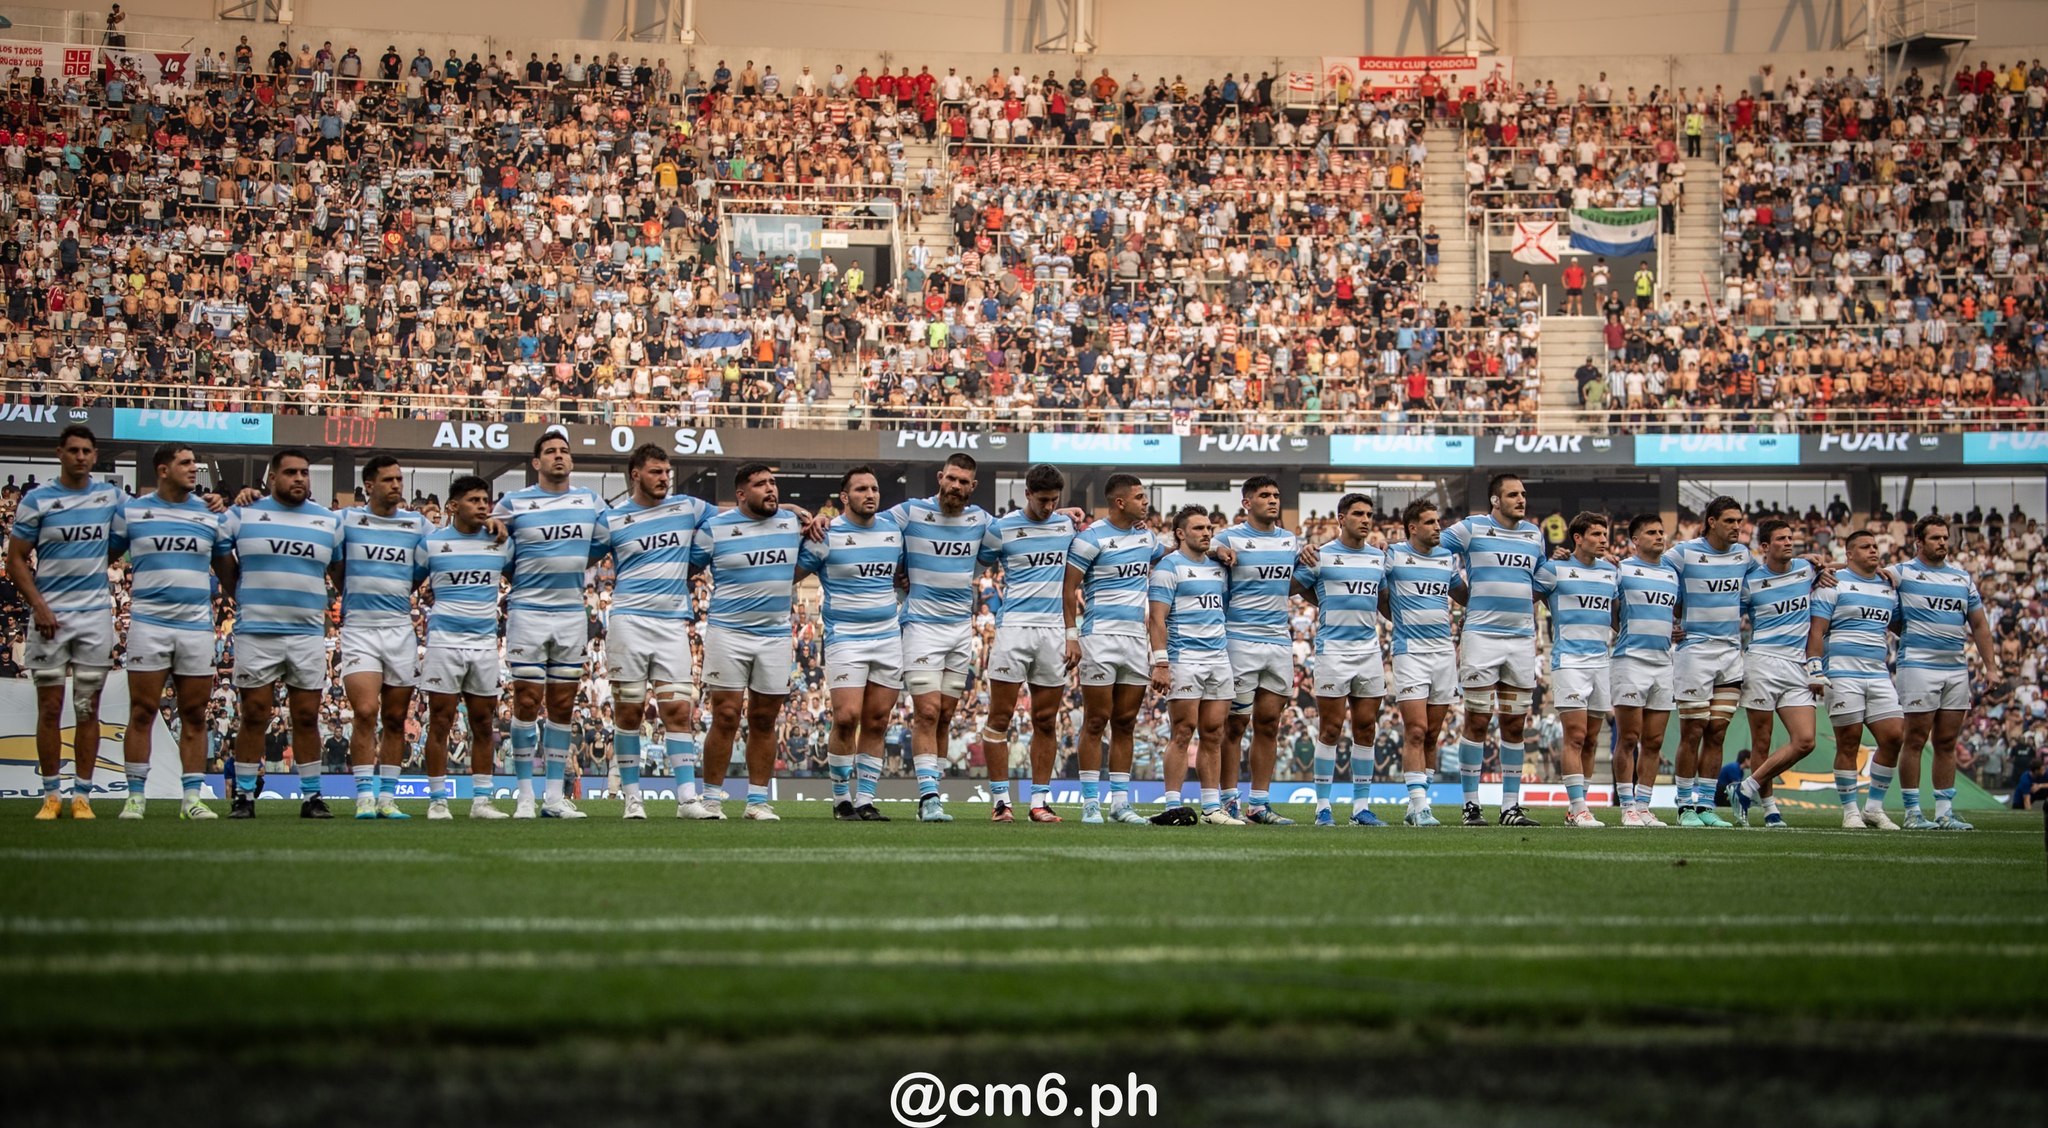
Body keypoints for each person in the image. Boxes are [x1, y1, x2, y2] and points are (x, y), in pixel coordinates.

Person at [218, 450, 344, 819]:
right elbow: (222, 560)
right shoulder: (243, 513)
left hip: (306, 633)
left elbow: (338, 570)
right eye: (290, 473)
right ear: (272, 478)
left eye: (304, 473)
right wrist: (241, 595)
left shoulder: (328, 521)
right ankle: (243, 795)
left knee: (306, 716)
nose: (299, 479)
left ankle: (311, 796)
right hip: (257, 630)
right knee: (254, 713)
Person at [593, 445, 717, 821]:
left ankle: (686, 799)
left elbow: (737, 518)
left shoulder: (688, 507)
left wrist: (786, 510)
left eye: (667, 472)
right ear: (635, 474)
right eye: (656, 472)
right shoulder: (612, 520)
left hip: (671, 625)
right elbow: (580, 554)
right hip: (629, 622)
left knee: (679, 711)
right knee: (628, 713)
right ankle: (633, 798)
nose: (665, 478)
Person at [6, 425, 122, 820]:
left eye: (87, 450)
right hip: (49, 618)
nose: (80, 456)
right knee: (50, 708)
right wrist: (39, 606)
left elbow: (126, 535)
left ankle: (83, 796)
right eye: (73, 450)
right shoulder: (37, 500)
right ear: (60, 453)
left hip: (93, 619)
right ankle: (51, 794)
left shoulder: (110, 496)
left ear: (95, 454)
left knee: (88, 707)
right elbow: (15, 559)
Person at [494, 431, 603, 819]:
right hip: (527, 612)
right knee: (525, 701)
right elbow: (493, 538)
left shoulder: (590, 500)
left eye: (564, 451)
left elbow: (605, 542)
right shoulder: (513, 502)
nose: (559, 456)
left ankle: (553, 798)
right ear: (536, 463)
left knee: (562, 705)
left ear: (571, 461)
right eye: (550, 452)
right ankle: (524, 795)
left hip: (571, 613)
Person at [111, 443, 223, 821]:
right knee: (142, 712)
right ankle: (135, 798)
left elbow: (227, 569)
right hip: (148, 625)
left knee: (194, 714)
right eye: (186, 463)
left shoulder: (210, 514)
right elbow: (102, 557)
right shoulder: (132, 511)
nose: (195, 469)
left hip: (196, 627)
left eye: (196, 463)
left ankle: (190, 798)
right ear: (163, 469)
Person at [1877, 517, 2002, 831]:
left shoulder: (1962, 578)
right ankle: (1912, 812)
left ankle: (1945, 812)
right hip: (1917, 667)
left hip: (1956, 668)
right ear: (1919, 541)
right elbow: (1866, 575)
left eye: (1945, 537)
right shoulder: (1902, 572)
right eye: (1935, 538)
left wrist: (1991, 666)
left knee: (1947, 741)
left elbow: (1980, 625)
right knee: (1915, 740)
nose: (1943, 543)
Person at [885, 454, 990, 823]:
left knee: (946, 715)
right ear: (940, 477)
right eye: (953, 479)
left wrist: (1068, 511)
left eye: (965, 482)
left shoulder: (980, 520)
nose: (957, 487)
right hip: (921, 627)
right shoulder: (911, 512)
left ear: (972, 487)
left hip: (960, 630)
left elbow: (1023, 524)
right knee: (927, 711)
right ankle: (928, 797)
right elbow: (866, 522)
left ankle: (935, 792)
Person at [798, 466, 906, 822]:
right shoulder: (826, 533)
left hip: (889, 637)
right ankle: (841, 797)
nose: (870, 494)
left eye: (874, 488)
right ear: (844, 497)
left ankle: (865, 800)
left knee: (876, 721)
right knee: (846, 718)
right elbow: (793, 573)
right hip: (845, 637)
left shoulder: (894, 531)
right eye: (861, 489)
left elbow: (905, 573)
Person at [697, 463, 805, 820]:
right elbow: (686, 566)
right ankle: (711, 798)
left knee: (764, 719)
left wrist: (802, 513)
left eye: (774, 482)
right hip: (727, 632)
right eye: (761, 484)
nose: (771, 489)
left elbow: (813, 549)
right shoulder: (715, 527)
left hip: (774, 635)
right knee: (725, 716)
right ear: (741, 494)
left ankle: (757, 801)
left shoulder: (792, 523)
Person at [1776, 529, 1902, 830]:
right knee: (1849, 743)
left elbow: (1898, 624)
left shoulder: (1888, 588)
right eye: (1865, 547)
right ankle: (1850, 812)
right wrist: (1815, 668)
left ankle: (1873, 808)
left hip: (1878, 671)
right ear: (1849, 554)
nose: (1873, 550)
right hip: (1842, 673)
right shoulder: (1833, 583)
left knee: (1895, 736)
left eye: (1875, 546)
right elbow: (1817, 630)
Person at [1441, 473, 1545, 827]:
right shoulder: (1471, 528)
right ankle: (1471, 805)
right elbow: (1431, 547)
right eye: (1513, 494)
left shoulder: (1534, 534)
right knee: (1478, 720)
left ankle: (1510, 808)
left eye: (1524, 493)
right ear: (1495, 501)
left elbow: (1542, 578)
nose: (1521, 499)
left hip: (1520, 639)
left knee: (1515, 725)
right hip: (1482, 637)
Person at [977, 463, 1079, 822]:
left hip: (1053, 633)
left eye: (1054, 500)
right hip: (1014, 630)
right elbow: (975, 566)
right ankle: (1001, 802)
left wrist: (1071, 634)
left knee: (1046, 720)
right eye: (1042, 500)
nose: (1049, 507)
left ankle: (1039, 802)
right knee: (1000, 717)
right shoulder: (1001, 528)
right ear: (1026, 494)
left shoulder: (1068, 525)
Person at [335, 456, 430, 820]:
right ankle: (363, 797)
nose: (396, 485)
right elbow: (334, 563)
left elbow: (423, 569)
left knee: (394, 718)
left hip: (399, 629)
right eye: (388, 480)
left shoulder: (417, 524)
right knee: (364, 711)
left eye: (399, 479)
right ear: (369, 485)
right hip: (360, 627)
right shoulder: (347, 520)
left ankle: (387, 799)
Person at [1065, 473, 1159, 825]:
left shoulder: (1147, 538)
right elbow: (1069, 587)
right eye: (1139, 497)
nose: (1145, 502)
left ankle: (1120, 803)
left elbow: (1180, 551)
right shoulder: (1091, 539)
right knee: (1095, 720)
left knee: (1125, 722)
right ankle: (1091, 802)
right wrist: (1071, 634)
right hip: (1100, 638)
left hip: (1136, 641)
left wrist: (1214, 548)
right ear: (1120, 502)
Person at [420, 476, 516, 820]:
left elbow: (521, 575)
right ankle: (437, 801)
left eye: (485, 500)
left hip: (485, 644)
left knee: (482, 722)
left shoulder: (501, 542)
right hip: (444, 642)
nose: (482, 506)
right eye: (473, 500)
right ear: (452, 506)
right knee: (440, 722)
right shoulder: (431, 544)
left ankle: (481, 801)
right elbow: (413, 583)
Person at [1292, 493, 1390, 827]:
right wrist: (1299, 560)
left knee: (1366, 729)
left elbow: (1385, 600)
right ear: (1341, 519)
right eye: (1358, 514)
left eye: (1369, 514)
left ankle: (1361, 808)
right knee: (1330, 728)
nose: (1366, 519)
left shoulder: (1379, 558)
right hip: (1333, 651)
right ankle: (1323, 807)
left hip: (1369, 652)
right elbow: (1294, 586)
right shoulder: (1322, 555)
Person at [1215, 476, 1301, 824]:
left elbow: (1294, 581)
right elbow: (1197, 549)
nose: (1272, 500)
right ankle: (1229, 800)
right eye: (1264, 495)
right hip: (1239, 641)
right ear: (1246, 502)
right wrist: (1214, 551)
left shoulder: (1290, 540)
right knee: (1234, 726)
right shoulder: (1228, 537)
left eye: (1277, 495)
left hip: (1279, 642)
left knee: (1269, 725)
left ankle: (1259, 804)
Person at [1727, 518, 1819, 829]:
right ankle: (1770, 810)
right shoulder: (1750, 583)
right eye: (1781, 539)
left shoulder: (1807, 569)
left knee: (1806, 740)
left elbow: (1833, 568)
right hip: (1762, 663)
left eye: (1790, 537)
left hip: (1797, 666)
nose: (1789, 543)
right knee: (1761, 743)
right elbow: (1727, 617)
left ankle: (1746, 787)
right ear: (1765, 547)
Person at [1665, 496, 1748, 828]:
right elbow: (1651, 571)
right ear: (1711, 522)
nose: (1737, 527)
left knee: (1718, 732)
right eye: (1729, 521)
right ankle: (1684, 805)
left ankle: (1707, 805)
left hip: (1730, 652)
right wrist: (1665, 620)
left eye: (1739, 521)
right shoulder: (1684, 552)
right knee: (1693, 730)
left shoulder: (1744, 555)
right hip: (1694, 651)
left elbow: (1772, 570)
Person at [1535, 513, 1620, 828]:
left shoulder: (1611, 572)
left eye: (1604, 533)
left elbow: (1615, 617)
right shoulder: (1554, 569)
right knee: (1576, 734)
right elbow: (1532, 595)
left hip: (1601, 661)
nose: (1602, 539)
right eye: (1596, 534)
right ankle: (1578, 806)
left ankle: (1577, 809)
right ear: (1578, 538)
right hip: (1569, 660)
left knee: (1593, 738)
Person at [1149, 506, 1231, 826]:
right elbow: (1157, 618)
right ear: (1181, 534)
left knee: (1214, 733)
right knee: (1183, 731)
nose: (1207, 533)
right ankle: (1173, 804)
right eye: (1198, 528)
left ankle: (1212, 808)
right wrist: (1161, 663)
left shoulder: (1219, 568)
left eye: (1209, 527)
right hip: (1185, 659)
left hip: (1219, 659)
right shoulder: (1168, 567)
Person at [1383, 500, 1462, 826]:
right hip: (1410, 652)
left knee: (1432, 734)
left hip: (1444, 653)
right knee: (1415, 729)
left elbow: (1465, 594)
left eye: (1438, 521)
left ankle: (1419, 803)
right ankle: (1418, 805)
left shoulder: (1447, 558)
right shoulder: (1392, 555)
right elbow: (1376, 594)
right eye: (1430, 522)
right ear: (1412, 527)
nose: (1437, 527)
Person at [1611, 514, 1679, 827]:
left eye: (1661, 532)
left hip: (1664, 663)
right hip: (1630, 661)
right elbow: (1610, 611)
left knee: (1654, 741)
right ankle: (1626, 806)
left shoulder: (1672, 573)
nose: (1658, 536)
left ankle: (1644, 805)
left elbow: (1674, 613)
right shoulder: (1621, 570)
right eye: (1651, 532)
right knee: (1629, 738)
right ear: (1635, 540)